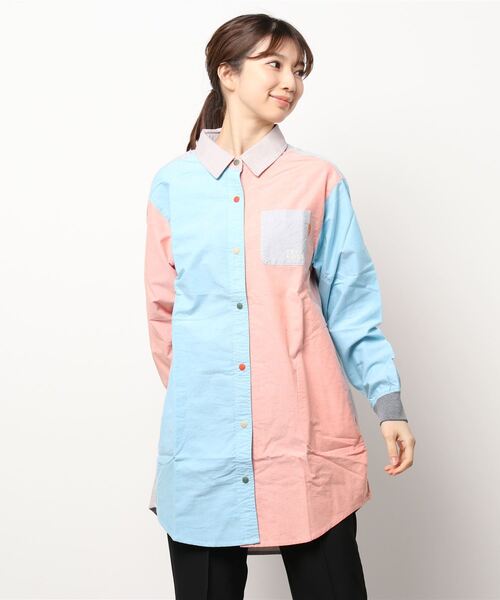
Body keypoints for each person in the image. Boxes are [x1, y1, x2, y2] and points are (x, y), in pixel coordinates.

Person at [144, 12, 416, 600]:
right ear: (227, 73)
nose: (290, 81)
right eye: (275, 64)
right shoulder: (173, 186)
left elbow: (350, 303)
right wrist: (210, 392)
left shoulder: (317, 180)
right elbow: (163, 316)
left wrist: (387, 403)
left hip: (306, 437)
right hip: (204, 445)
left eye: (299, 70)